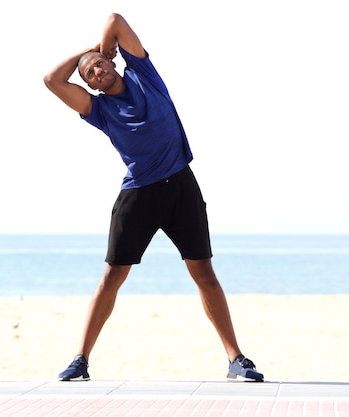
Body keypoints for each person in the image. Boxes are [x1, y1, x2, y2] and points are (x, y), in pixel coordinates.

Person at [43, 13, 263, 382]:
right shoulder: (97, 110)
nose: (97, 71)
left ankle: (236, 359)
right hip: (138, 195)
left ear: (111, 63)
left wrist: (102, 49)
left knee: (205, 274)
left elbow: (114, 19)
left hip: (180, 186)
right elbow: (51, 80)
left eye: (100, 64)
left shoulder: (145, 76)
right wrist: (88, 52)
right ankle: (80, 359)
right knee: (112, 276)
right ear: (90, 86)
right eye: (90, 74)